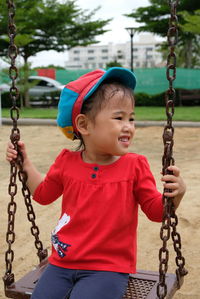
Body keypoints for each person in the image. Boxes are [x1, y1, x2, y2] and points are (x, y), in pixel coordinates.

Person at [6, 67, 186, 299]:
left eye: (131, 119)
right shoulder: (66, 161)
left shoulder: (135, 166)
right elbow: (42, 194)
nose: (128, 126)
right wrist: (25, 164)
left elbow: (155, 212)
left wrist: (175, 195)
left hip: (108, 267)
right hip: (62, 262)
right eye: (119, 118)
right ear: (84, 125)